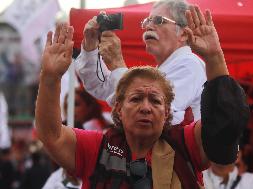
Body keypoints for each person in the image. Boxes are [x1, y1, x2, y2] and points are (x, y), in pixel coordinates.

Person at [35, 5, 250, 189]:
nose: (145, 107)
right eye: (136, 99)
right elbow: (52, 134)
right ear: (118, 108)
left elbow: (224, 126)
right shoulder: (99, 148)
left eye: (155, 100)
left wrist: (214, 58)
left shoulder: (184, 145)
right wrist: (54, 75)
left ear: (166, 109)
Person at [75, 0, 206, 124]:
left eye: (159, 20)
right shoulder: (163, 70)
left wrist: (117, 63)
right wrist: (90, 47)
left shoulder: (189, 65)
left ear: (183, 34)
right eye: (147, 21)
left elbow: (156, 113)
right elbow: (100, 87)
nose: (148, 26)